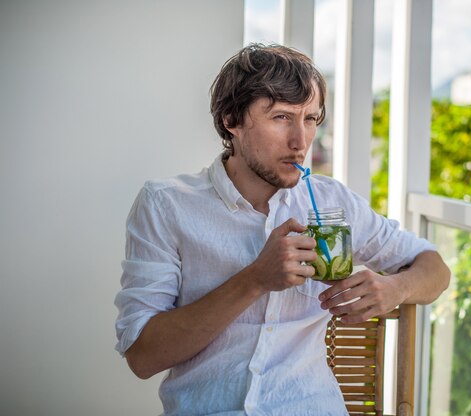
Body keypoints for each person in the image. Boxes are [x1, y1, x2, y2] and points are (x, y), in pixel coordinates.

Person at [114, 43, 450, 415]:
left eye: (310, 119)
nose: (301, 141)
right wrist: (256, 279)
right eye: (281, 117)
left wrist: (395, 288)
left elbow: (434, 268)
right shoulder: (166, 205)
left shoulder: (331, 203)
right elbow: (142, 357)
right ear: (232, 120)